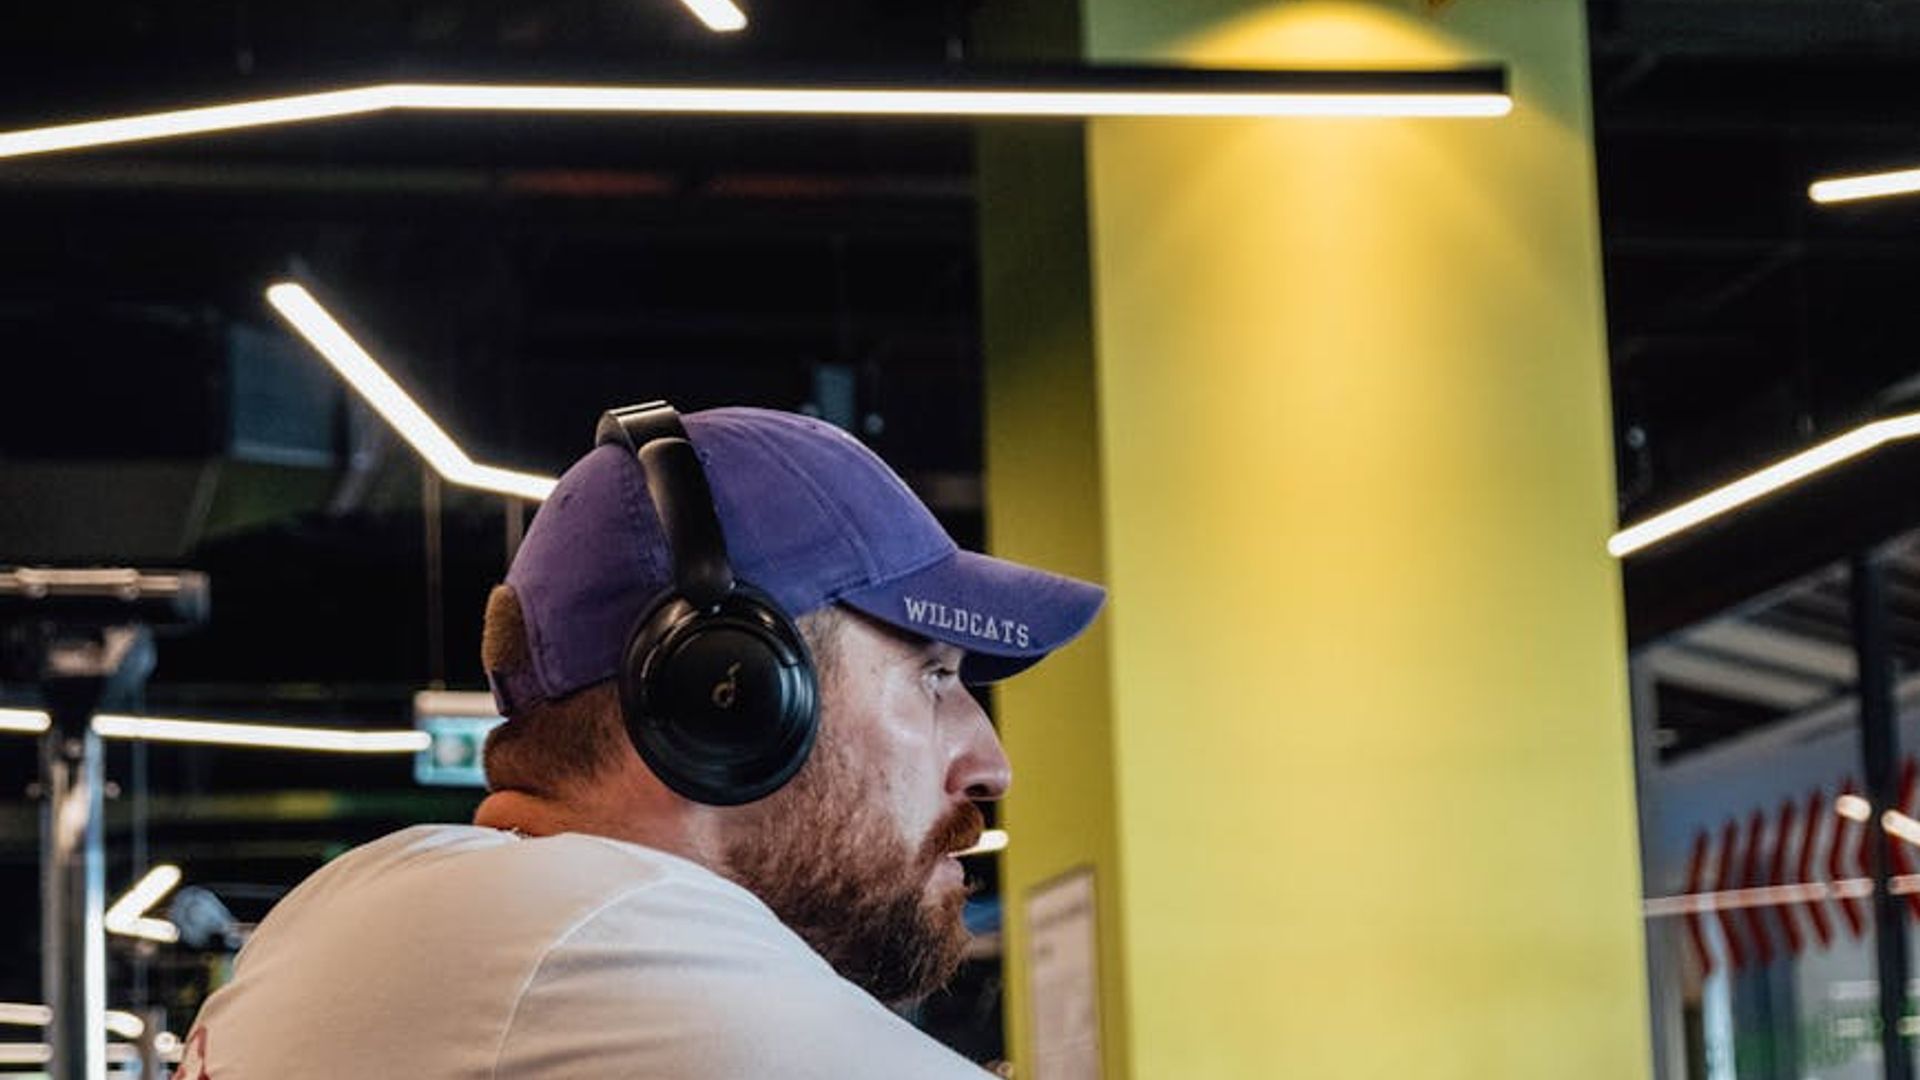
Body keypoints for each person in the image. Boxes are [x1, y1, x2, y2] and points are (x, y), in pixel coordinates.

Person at [179, 405, 1104, 1078]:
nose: (992, 763)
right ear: (730, 696)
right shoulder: (596, 935)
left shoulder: (361, 904)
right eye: (934, 678)